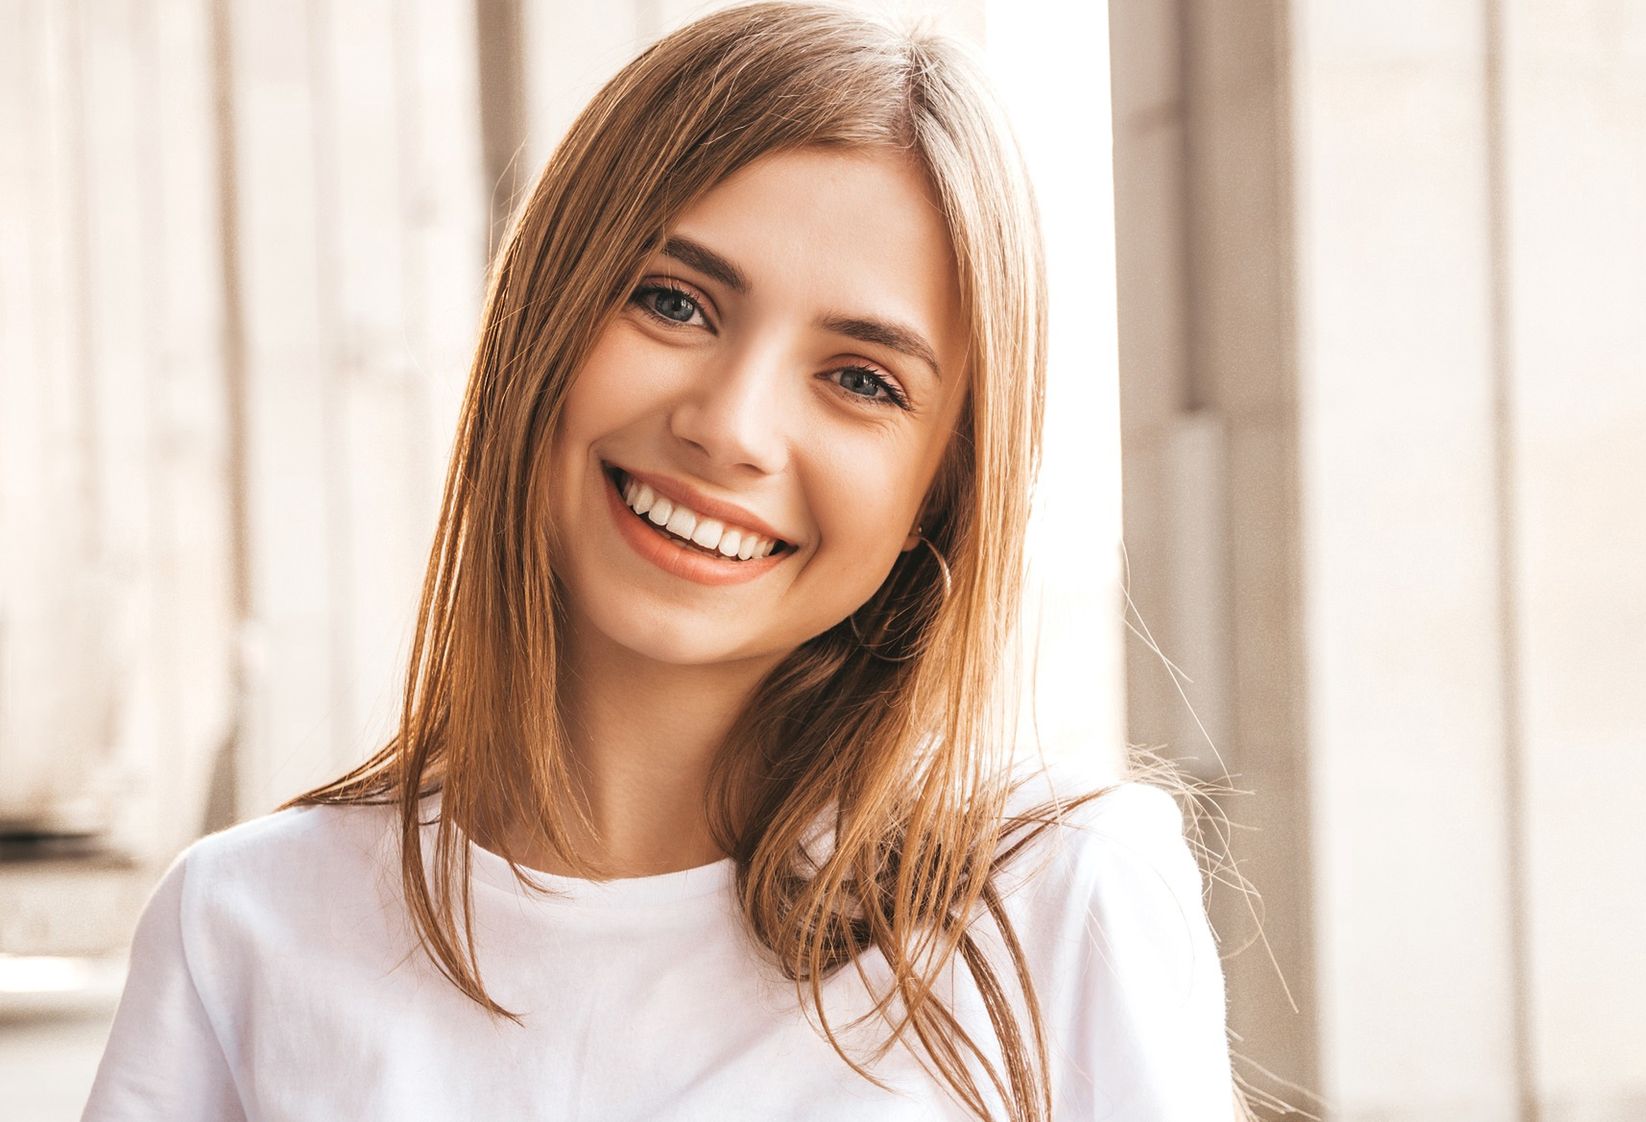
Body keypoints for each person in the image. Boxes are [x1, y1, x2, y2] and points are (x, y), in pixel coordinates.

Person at [81, 3, 1237, 1119]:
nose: (729, 427)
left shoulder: (1058, 902)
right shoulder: (244, 927)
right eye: (673, 302)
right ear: (545, 314)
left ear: (941, 488)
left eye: (862, 380)